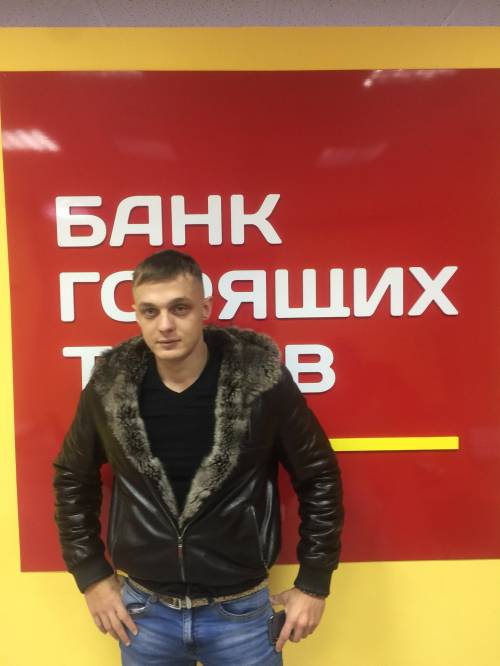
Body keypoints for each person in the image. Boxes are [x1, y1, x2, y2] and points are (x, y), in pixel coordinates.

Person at [53, 249, 344, 666]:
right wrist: (91, 575)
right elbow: (72, 476)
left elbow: (318, 476)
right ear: (136, 315)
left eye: (180, 308)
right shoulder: (110, 388)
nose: (165, 325)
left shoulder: (261, 382)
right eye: (150, 311)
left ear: (205, 309)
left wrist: (314, 583)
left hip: (241, 615)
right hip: (144, 616)